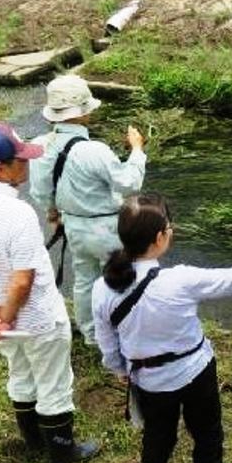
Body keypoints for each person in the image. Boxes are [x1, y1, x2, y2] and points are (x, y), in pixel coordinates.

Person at [90, 193, 232, 463]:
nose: (171, 231)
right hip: (195, 372)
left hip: (148, 380)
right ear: (159, 237)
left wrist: (121, 369)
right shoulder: (179, 279)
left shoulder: (103, 287)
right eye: (169, 227)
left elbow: (107, 341)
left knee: (157, 438)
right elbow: (230, 280)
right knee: (207, 433)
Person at [0, 123, 100, 463]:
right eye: (21, 159)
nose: (28, 164)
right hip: (36, 317)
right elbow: (23, 281)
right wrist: (7, 317)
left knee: (21, 374)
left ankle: (33, 442)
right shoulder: (18, 213)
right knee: (54, 382)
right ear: (0, 168)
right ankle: (62, 451)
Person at [28, 74, 147, 347]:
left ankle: (91, 334)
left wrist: (53, 213)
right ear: (83, 113)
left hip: (75, 228)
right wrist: (137, 150)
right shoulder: (94, 150)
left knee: (84, 281)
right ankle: (123, 334)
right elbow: (129, 184)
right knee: (120, 281)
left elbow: (40, 190)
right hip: (107, 230)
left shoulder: (39, 145)